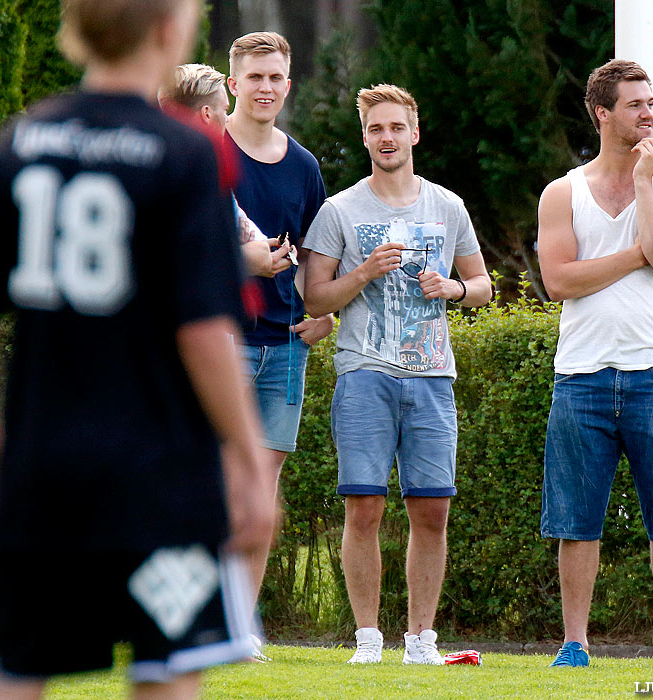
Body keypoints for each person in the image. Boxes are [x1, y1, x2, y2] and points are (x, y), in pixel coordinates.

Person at [0, 0, 276, 698]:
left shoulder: (23, 140)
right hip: (160, 474)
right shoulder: (184, 151)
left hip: (43, 468)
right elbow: (202, 331)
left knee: (16, 669)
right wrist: (250, 462)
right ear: (171, 30)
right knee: (165, 672)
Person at [302, 84, 492, 665]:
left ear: (415, 132)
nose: (387, 137)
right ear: (365, 137)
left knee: (431, 509)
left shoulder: (447, 206)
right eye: (376, 129)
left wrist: (454, 288)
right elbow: (314, 299)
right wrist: (362, 273)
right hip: (364, 374)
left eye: (396, 127)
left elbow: (483, 287)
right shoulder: (340, 209)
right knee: (364, 507)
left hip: (433, 375)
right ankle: (366, 640)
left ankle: (421, 641)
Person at [536, 59, 653, 669]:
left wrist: (644, 183)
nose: (647, 112)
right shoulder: (563, 192)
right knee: (575, 520)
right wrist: (639, 249)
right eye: (633, 104)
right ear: (601, 113)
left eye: (650, 101)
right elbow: (559, 280)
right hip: (581, 375)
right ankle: (574, 644)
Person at [224, 31, 334, 603]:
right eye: (254, 77)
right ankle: (196, 621)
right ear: (232, 83)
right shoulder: (204, 154)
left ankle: (241, 626)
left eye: (275, 78)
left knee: (262, 488)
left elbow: (317, 263)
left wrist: (326, 316)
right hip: (221, 340)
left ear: (287, 86)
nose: (265, 88)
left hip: (286, 349)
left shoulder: (305, 166)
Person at [158, 62, 292, 271]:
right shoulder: (190, 176)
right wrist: (245, 260)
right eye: (224, 110)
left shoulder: (146, 166)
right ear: (207, 115)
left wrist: (264, 254)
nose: (227, 119)